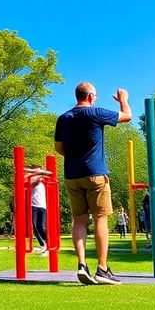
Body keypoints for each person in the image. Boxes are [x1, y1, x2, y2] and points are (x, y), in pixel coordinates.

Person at [54, 82, 132, 285]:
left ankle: (82, 265)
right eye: (95, 96)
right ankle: (102, 269)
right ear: (89, 97)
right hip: (95, 174)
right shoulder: (95, 113)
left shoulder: (63, 118)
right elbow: (126, 116)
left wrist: (75, 157)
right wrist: (123, 100)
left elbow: (59, 147)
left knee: (79, 220)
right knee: (100, 218)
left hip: (72, 175)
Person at [29, 165, 48, 252]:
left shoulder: (43, 181)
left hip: (42, 206)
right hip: (34, 206)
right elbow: (34, 182)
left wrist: (41, 173)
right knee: (35, 226)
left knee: (42, 227)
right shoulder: (32, 179)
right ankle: (43, 244)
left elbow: (46, 177)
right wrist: (40, 173)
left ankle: (48, 243)